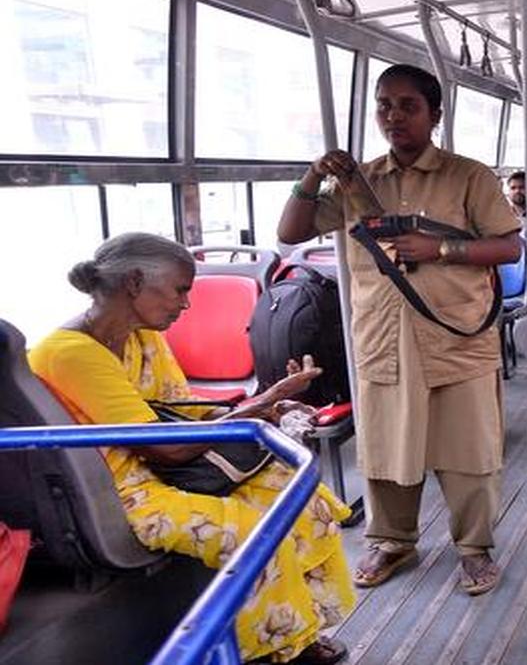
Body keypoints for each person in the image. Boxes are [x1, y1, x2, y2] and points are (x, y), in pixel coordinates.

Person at [27, 233, 354, 665]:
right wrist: (263, 401)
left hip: (169, 471)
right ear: (134, 282)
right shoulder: (69, 353)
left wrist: (268, 408)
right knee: (247, 532)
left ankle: (301, 630)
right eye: (181, 290)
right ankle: (267, 650)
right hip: (120, 491)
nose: (185, 304)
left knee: (304, 499)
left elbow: (183, 414)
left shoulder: (142, 336)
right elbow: (168, 448)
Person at [277, 64, 522, 596]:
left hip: (457, 335)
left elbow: (508, 245)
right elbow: (290, 232)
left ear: (435, 113)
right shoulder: (356, 183)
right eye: (385, 105)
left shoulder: (469, 176)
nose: (394, 116)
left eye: (408, 105)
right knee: (386, 446)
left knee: (469, 452)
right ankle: (391, 540)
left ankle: (474, 548)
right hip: (384, 337)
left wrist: (442, 249)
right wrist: (313, 176)